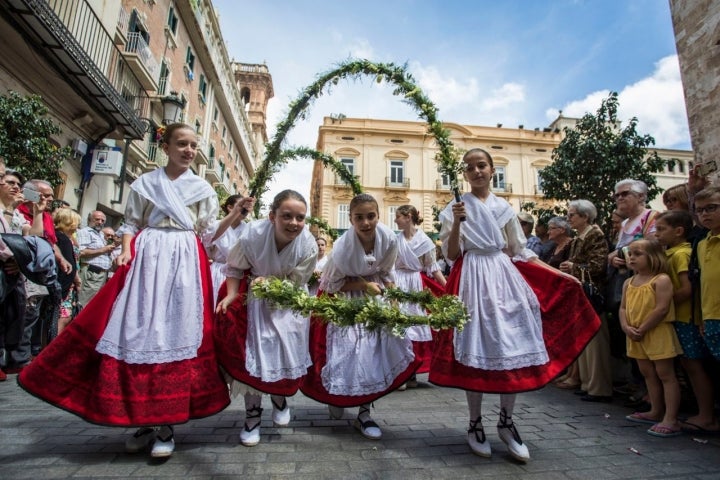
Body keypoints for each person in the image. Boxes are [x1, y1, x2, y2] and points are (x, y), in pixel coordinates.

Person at [19, 123, 231, 459]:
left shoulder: (203, 188)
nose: (189, 151)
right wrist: (126, 249)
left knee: (175, 334)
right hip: (149, 256)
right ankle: (143, 421)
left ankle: (166, 424)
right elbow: (132, 224)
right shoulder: (146, 183)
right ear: (166, 147)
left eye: (193, 145)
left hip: (186, 260)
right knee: (139, 333)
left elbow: (207, 233)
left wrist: (233, 215)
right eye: (182, 144)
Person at [430, 148, 598, 462]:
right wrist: (455, 223)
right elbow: (452, 255)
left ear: (492, 170)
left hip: (504, 278)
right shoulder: (455, 208)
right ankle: (474, 423)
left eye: (482, 165)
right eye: (470, 167)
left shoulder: (504, 207)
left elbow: (521, 252)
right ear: (464, 174)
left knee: (511, 345)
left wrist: (561, 277)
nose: (476, 171)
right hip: (472, 278)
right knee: (476, 346)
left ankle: (507, 422)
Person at [301, 193, 420, 441]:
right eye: (359, 218)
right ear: (351, 219)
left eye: (371, 216)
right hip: (346, 299)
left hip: (376, 297)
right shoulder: (343, 249)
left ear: (377, 216)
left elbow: (387, 271)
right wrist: (363, 286)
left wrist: (394, 298)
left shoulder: (388, 238)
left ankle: (365, 413)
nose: (366, 223)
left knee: (374, 353)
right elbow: (331, 285)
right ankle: (339, 396)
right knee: (348, 354)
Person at [215, 189, 317, 447]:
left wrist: (272, 281)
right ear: (272, 216)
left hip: (288, 301)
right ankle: (252, 416)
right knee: (256, 356)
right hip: (256, 302)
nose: (294, 223)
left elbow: (297, 282)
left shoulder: (308, 245)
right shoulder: (252, 234)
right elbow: (235, 267)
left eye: (300, 218)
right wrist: (230, 295)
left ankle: (279, 397)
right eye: (287, 216)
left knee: (283, 354)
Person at [654, 210, 719, 433]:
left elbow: (686, 289)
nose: (657, 233)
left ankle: (706, 414)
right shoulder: (672, 252)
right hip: (681, 318)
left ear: (679, 231)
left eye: (661, 229)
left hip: (685, 318)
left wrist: (662, 301)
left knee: (694, 366)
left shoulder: (681, 254)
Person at [620, 239, 682, 437]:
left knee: (666, 374)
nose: (632, 257)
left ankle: (671, 419)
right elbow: (622, 307)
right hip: (635, 334)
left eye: (638, 254)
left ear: (653, 257)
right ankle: (655, 410)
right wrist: (626, 327)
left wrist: (643, 328)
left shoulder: (661, 280)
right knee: (647, 372)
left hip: (656, 332)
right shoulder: (628, 281)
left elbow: (662, 308)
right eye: (631, 254)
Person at [559, 200, 612, 402]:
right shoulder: (578, 237)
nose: (568, 218)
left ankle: (599, 387)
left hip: (592, 293)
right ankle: (587, 383)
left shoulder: (595, 235)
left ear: (585, 217)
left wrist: (573, 267)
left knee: (596, 341)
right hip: (580, 294)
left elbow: (598, 266)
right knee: (585, 339)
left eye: (572, 215)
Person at [393, 204, 446, 387]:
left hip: (415, 283)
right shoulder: (395, 240)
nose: (395, 220)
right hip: (398, 282)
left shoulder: (425, 242)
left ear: (408, 217)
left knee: (413, 326)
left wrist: (448, 289)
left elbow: (433, 268)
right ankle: (402, 371)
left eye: (398, 216)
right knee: (399, 326)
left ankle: (412, 373)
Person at [206, 194, 254, 304]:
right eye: (242, 207)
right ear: (230, 207)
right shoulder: (216, 225)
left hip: (237, 275)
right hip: (216, 271)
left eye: (247, 209)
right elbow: (207, 247)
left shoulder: (248, 229)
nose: (245, 211)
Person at [53, 208, 81, 337]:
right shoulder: (61, 238)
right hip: (64, 285)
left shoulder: (68, 238)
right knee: (62, 318)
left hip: (70, 285)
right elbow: (66, 263)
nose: (78, 226)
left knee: (67, 317)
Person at [77, 211, 114, 307]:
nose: (100, 222)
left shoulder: (101, 235)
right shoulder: (85, 232)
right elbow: (82, 252)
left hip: (102, 274)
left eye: (103, 220)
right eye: (97, 219)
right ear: (90, 220)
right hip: (91, 272)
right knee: (84, 302)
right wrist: (103, 249)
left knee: (93, 304)